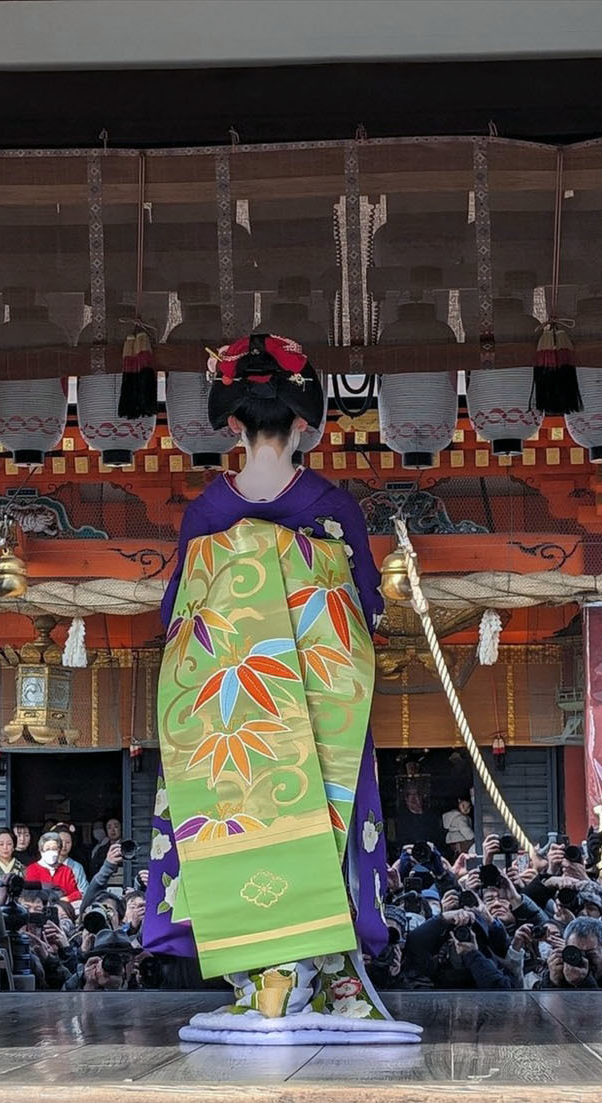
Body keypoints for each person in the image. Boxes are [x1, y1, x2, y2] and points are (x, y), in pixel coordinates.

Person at [146, 333, 419, 1044]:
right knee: (327, 825)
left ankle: (260, 981)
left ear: (231, 422)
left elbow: (180, 615)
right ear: (306, 420)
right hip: (318, 698)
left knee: (236, 825)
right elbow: (365, 606)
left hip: (232, 707)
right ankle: (338, 981)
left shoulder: (208, 512)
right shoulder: (332, 505)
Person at [25, 831, 82, 906]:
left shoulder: (66, 870)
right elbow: (30, 895)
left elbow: (76, 894)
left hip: (62, 909)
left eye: (54, 848)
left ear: (59, 850)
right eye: (48, 849)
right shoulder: (32, 869)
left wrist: (65, 899)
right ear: (41, 850)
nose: (51, 852)